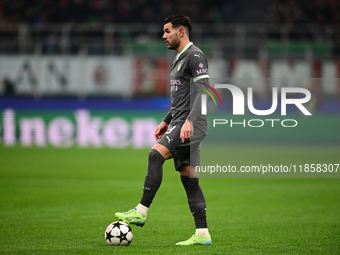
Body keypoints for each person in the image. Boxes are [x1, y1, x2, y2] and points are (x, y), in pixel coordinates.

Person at [115, 14, 212, 246]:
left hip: (191, 124)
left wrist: (189, 120)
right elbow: (180, 99)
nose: (163, 36)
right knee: (190, 180)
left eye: (167, 31)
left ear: (181, 31)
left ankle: (141, 211)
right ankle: (202, 233)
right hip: (180, 122)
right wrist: (167, 119)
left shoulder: (195, 55)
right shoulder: (178, 59)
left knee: (155, 155)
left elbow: (204, 90)